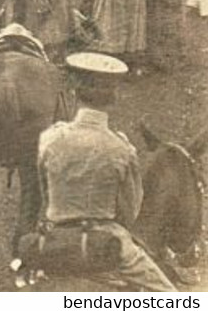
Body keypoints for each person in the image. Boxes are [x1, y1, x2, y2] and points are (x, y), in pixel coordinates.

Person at [33, 53, 175, 291]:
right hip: (106, 241)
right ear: (114, 96)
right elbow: (131, 210)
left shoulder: (50, 139)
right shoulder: (121, 148)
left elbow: (44, 192)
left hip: (54, 240)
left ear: (75, 93)